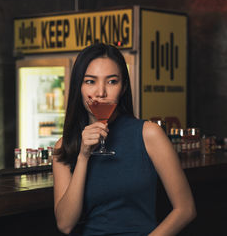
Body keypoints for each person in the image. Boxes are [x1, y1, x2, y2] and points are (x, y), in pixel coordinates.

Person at [53, 43, 196, 235]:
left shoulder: (149, 134)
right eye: (90, 81)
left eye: (112, 81)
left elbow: (185, 209)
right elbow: (65, 224)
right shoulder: (64, 146)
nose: (100, 92)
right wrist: (83, 156)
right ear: (78, 86)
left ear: (124, 87)